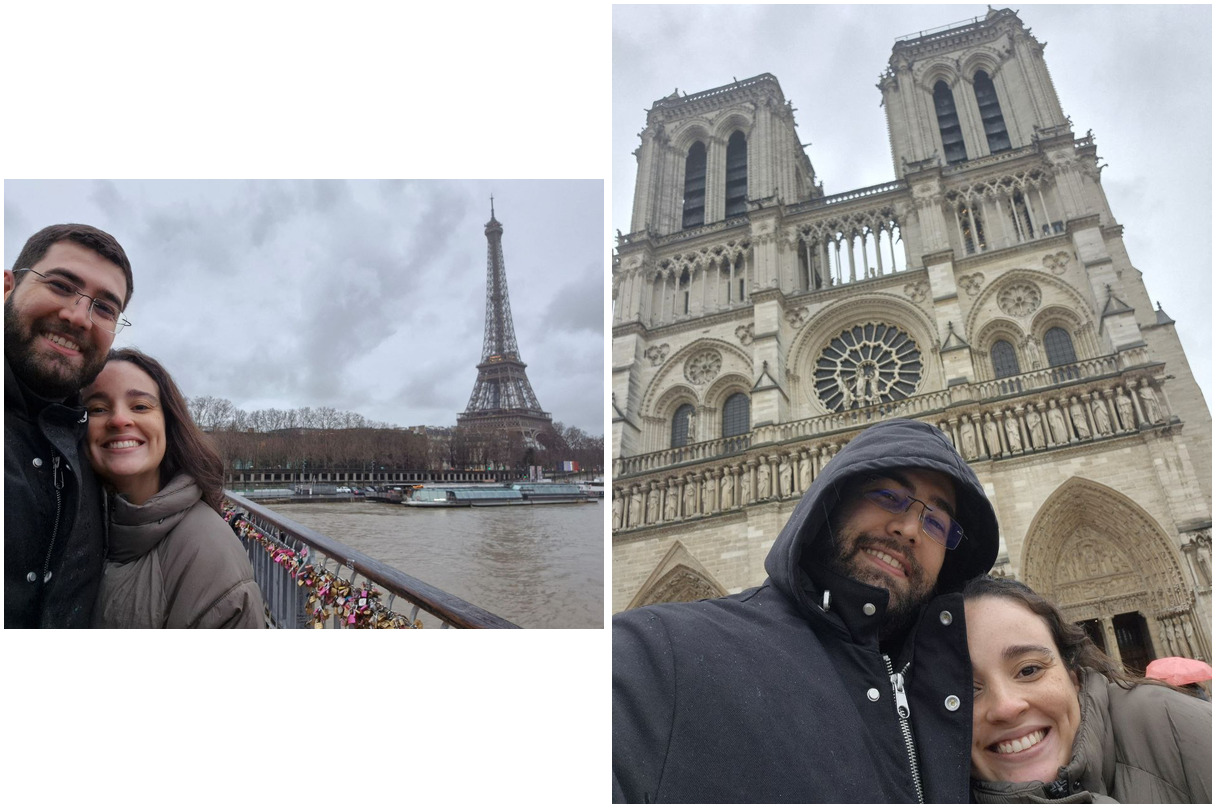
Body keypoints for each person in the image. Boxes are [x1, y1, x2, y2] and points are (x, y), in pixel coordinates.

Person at [613, 418, 1000, 802]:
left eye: (936, 522)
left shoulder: (966, 700)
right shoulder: (659, 653)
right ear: (832, 499)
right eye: (887, 496)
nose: (911, 528)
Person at [965, 575, 1211, 802]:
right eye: (967, 689)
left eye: (1029, 670)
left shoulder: (1181, 730)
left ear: (1073, 676)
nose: (1006, 707)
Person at [5, 224, 134, 627]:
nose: (79, 317)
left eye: (105, 308)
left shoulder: (99, 441)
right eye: (60, 286)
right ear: (7, 287)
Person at [82, 348, 265, 628]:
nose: (119, 419)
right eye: (97, 409)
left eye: (140, 406)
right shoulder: (70, 524)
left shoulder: (209, 554)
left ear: (169, 424)